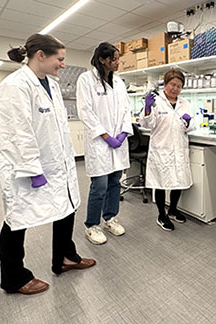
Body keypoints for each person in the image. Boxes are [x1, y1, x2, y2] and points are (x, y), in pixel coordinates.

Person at [0, 34, 96, 295]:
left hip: (56, 163)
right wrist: (32, 168)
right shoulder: (15, 85)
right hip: (27, 168)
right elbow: (17, 132)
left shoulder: (49, 84)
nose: (63, 64)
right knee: (17, 219)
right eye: (59, 59)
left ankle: (65, 258)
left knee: (67, 207)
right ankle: (13, 278)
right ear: (40, 55)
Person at [77, 42, 133, 245]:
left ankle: (109, 218)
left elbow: (127, 109)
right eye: (114, 59)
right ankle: (92, 225)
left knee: (115, 183)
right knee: (99, 186)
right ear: (102, 59)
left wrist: (123, 133)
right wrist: (106, 136)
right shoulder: (86, 79)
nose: (118, 62)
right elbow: (85, 111)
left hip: (118, 142)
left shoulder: (119, 83)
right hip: (100, 144)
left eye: (118, 58)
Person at [140, 69, 196, 231]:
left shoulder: (185, 103)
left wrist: (188, 123)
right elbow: (146, 124)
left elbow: (192, 124)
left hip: (179, 147)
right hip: (161, 149)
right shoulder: (157, 101)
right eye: (172, 84)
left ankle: (172, 210)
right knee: (161, 183)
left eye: (179, 86)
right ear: (165, 84)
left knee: (178, 182)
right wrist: (148, 109)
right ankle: (161, 214)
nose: (175, 88)